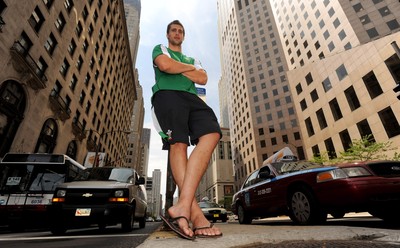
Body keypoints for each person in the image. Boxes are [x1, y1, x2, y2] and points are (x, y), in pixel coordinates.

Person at [151, 20, 222, 239]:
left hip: (193, 99)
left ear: (184, 36)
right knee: (179, 144)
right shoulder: (160, 49)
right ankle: (196, 216)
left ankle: (182, 206)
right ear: (168, 34)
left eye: (180, 31)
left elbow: (202, 78)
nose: (177, 33)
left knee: (212, 132)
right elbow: (165, 66)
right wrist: (187, 70)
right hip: (167, 96)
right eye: (173, 30)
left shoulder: (194, 59)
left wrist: (181, 68)